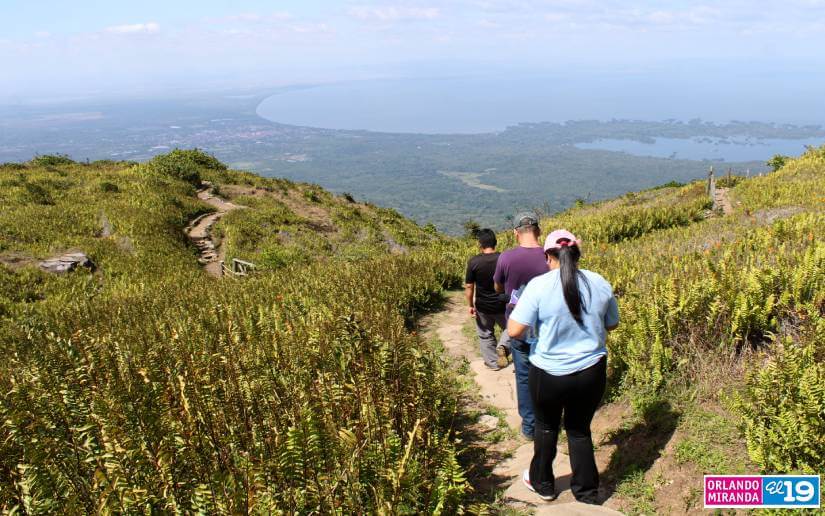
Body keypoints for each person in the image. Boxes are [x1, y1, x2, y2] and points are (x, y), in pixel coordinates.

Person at [507, 229, 619, 504]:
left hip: (548, 373)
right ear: (577, 254)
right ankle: (587, 493)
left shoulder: (539, 286)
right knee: (579, 430)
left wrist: (536, 335)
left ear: (548, 256)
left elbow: (514, 329)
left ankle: (543, 484)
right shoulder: (599, 282)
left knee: (546, 428)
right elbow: (612, 323)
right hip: (591, 370)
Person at [493, 212, 548, 440]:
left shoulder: (506, 258)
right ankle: (550, 421)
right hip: (546, 325)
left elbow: (497, 288)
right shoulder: (550, 255)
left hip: (518, 326)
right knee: (547, 372)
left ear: (515, 232)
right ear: (539, 230)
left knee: (524, 376)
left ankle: (529, 427)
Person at [465, 229, 510, 370]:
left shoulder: (474, 262)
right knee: (511, 328)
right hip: (503, 304)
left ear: (480, 244)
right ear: (495, 242)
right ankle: (504, 345)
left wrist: (470, 305)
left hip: (483, 305)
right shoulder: (504, 258)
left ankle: (493, 363)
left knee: (485, 334)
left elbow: (469, 286)